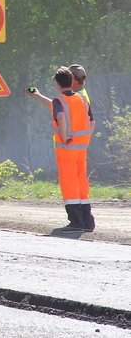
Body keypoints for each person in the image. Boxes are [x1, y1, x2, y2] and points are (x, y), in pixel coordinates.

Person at [47, 67, 96, 232]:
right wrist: (85, 139)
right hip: (81, 149)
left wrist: (65, 136)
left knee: (69, 183)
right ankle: (87, 222)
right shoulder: (82, 99)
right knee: (81, 182)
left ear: (58, 84)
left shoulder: (58, 100)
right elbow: (92, 123)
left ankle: (76, 222)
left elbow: (60, 117)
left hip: (66, 148)